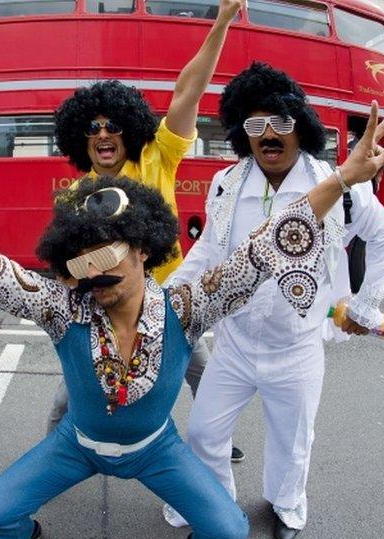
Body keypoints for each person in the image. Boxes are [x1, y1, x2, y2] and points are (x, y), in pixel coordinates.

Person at [0, 102, 384, 539]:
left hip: (155, 449)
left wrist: (341, 179)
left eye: (111, 249)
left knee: (228, 533)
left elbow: (266, 246)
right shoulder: (61, 306)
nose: (96, 267)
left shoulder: (186, 306)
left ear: (144, 250)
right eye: (83, 254)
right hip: (77, 445)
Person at [164, 62, 384, 539]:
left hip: (298, 349)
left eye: (281, 123)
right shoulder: (227, 183)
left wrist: (365, 306)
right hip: (234, 345)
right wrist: (168, 303)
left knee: (293, 444)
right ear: (240, 132)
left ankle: (287, 506)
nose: (268, 134)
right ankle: (218, 509)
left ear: (301, 126)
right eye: (254, 125)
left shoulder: (340, 185)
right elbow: (207, 250)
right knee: (205, 433)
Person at [48, 0, 245, 461]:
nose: (102, 134)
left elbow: (187, 92)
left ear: (127, 130)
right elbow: (66, 270)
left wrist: (221, 22)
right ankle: (53, 459)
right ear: (82, 137)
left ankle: (217, 443)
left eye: (113, 125)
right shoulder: (73, 195)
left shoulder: (155, 157)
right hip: (104, 309)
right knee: (64, 401)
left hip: (167, 299)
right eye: (92, 128)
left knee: (202, 374)